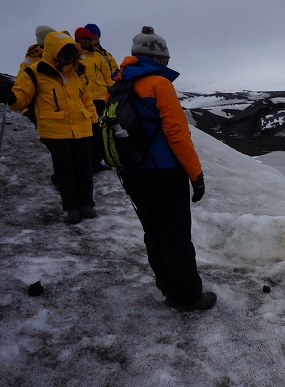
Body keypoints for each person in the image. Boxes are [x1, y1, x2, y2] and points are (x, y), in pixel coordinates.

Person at [113, 26, 215, 312]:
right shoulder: (159, 84)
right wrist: (196, 174)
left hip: (133, 171)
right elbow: (177, 134)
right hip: (165, 172)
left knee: (154, 233)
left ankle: (168, 287)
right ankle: (187, 296)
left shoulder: (121, 83)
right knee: (176, 236)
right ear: (159, 59)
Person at [0, 31, 98, 225]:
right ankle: (71, 207)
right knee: (64, 169)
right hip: (55, 131)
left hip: (82, 128)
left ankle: (87, 203)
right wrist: (11, 97)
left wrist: (94, 123)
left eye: (72, 56)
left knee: (84, 168)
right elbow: (22, 97)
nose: (69, 60)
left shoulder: (77, 73)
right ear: (54, 52)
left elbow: (86, 100)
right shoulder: (34, 72)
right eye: (66, 55)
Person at [75, 26, 113, 172]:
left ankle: (96, 161)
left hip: (101, 97)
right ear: (78, 39)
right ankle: (88, 162)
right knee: (88, 130)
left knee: (101, 130)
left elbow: (108, 76)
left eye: (89, 38)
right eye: (84, 38)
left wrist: (113, 91)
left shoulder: (98, 56)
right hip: (84, 98)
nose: (88, 41)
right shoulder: (74, 54)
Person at [17, 25, 56, 124]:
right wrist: (26, 111)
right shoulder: (29, 62)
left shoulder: (56, 58)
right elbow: (20, 87)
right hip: (36, 110)